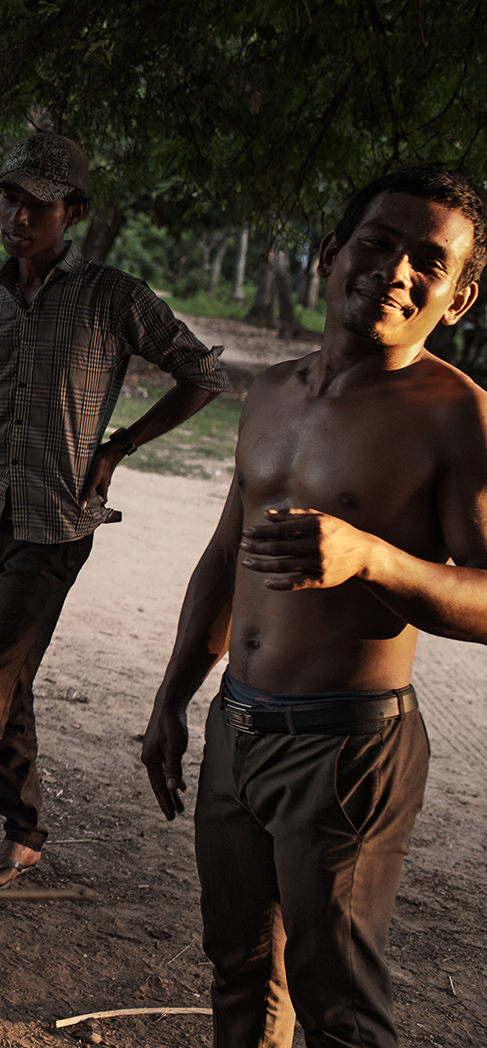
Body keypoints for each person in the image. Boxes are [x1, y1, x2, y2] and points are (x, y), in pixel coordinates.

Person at [142, 164, 487, 1048]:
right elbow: (226, 556)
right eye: (377, 242)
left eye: (428, 262)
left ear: (457, 297)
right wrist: (174, 697)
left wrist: (371, 556)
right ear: (334, 251)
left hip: (348, 749)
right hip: (238, 727)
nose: (396, 271)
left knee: (336, 1003)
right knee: (239, 974)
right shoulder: (270, 392)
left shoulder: (458, 416)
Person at [0, 132, 228, 890]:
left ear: (71, 212)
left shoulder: (113, 297)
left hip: (56, 528)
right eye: (9, 198)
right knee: (4, 681)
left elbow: (203, 371)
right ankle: (25, 832)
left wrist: (122, 444)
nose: (17, 215)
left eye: (37, 204)